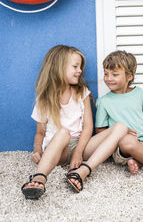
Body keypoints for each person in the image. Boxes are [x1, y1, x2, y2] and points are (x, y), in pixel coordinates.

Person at [21, 45, 128, 199]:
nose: (80, 71)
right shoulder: (44, 99)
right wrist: (37, 149)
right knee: (64, 132)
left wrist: (78, 152)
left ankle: (83, 171)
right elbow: (40, 132)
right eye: (75, 66)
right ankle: (39, 177)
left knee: (121, 127)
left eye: (80, 67)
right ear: (59, 67)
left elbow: (87, 127)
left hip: (80, 145)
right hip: (58, 149)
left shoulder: (81, 92)